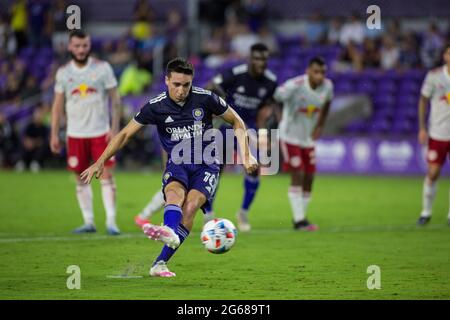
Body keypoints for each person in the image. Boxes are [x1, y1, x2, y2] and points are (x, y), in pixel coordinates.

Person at [80, 58, 258, 277]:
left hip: (208, 165)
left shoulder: (206, 98)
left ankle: (160, 262)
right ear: (166, 81)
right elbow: (125, 133)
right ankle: (168, 235)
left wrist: (246, 155)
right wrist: (100, 161)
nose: (181, 90)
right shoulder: (156, 106)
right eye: (176, 84)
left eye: (186, 85)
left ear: (192, 82)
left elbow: (237, 121)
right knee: (174, 194)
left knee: (191, 206)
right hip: (178, 161)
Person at [50, 30, 122, 235]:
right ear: (70, 47)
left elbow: (115, 100)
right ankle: (89, 221)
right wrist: (54, 134)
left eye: (85, 46)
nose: (81, 50)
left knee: (106, 174)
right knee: (80, 177)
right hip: (75, 134)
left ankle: (111, 222)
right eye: (77, 46)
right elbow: (57, 105)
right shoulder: (63, 73)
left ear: (89, 46)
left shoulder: (102, 68)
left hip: (101, 132)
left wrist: (115, 128)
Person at [206, 42, 278, 232]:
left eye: (264, 59)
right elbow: (212, 85)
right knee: (216, 169)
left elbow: (267, 108)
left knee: (254, 169)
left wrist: (265, 132)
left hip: (250, 130)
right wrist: (223, 106)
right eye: (257, 58)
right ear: (250, 59)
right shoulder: (236, 73)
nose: (261, 62)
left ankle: (243, 213)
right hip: (228, 126)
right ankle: (209, 214)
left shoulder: (270, 82)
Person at [274, 56, 334, 231]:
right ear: (308, 71)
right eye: (316, 72)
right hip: (289, 136)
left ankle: (302, 218)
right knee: (298, 173)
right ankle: (299, 220)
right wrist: (279, 118)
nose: (320, 76)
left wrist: (321, 125)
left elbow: (328, 103)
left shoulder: (328, 87)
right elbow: (275, 96)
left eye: (323, 72)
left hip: (307, 138)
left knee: (309, 177)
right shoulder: (295, 85)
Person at [417, 43, 450, 226]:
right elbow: (423, 100)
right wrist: (422, 127)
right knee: (433, 172)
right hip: (438, 132)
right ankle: (426, 211)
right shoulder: (434, 76)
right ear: (445, 56)